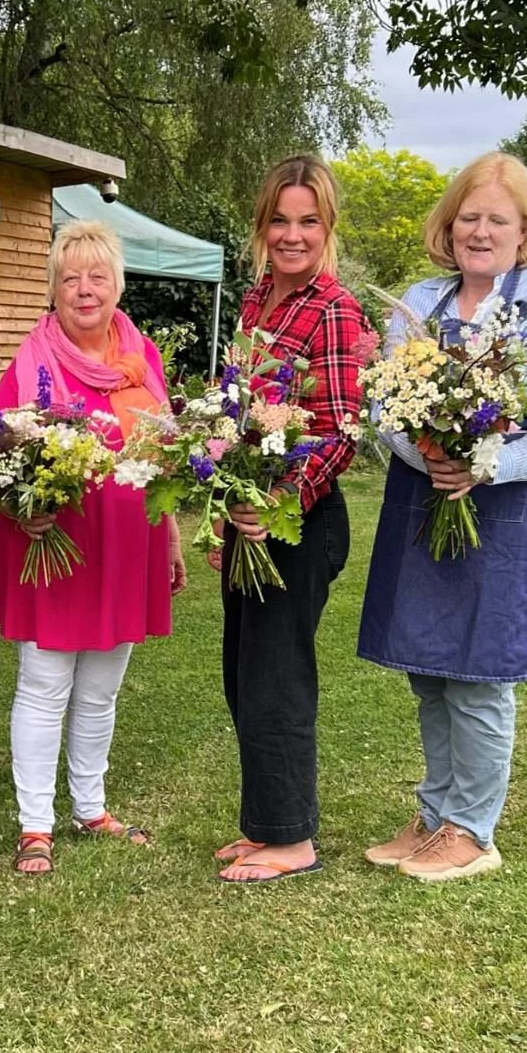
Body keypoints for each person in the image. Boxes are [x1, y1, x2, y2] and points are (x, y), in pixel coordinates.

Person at [358, 152, 527, 881]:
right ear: (448, 225)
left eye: (497, 219)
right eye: (468, 217)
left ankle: (471, 828)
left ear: (525, 230)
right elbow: (384, 409)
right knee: (428, 668)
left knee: (479, 672)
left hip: (509, 511)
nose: (480, 230)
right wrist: (430, 454)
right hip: (425, 498)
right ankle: (433, 814)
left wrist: (485, 463)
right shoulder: (418, 302)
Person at [0, 219, 186, 876]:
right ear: (52, 289)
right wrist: (26, 507)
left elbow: (164, 452)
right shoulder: (29, 362)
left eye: (95, 276)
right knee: (45, 683)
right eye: (69, 278)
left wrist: (172, 536)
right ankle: (34, 824)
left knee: (101, 689)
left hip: (129, 544)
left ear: (116, 284)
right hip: (54, 546)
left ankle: (91, 808)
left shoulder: (142, 356)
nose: (83, 289)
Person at [215, 156, 365, 884]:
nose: (292, 234)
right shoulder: (253, 304)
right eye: (280, 219)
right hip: (250, 515)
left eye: (308, 221)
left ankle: (292, 840)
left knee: (276, 678)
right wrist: (229, 511)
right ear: (261, 225)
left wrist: (275, 504)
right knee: (243, 674)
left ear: (326, 227)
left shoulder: (333, 308)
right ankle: (264, 824)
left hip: (299, 522)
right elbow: (234, 419)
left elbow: (337, 430)